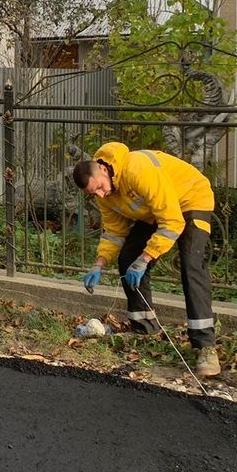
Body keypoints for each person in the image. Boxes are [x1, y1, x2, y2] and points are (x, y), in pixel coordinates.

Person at [72, 141, 220, 376]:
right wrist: (98, 264)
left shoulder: (138, 170)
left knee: (192, 264)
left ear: (102, 168)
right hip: (156, 211)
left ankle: (205, 347)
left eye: (100, 187)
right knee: (127, 258)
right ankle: (144, 328)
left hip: (191, 199)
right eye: (94, 193)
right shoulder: (104, 194)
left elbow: (172, 222)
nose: (101, 194)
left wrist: (147, 257)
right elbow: (114, 231)